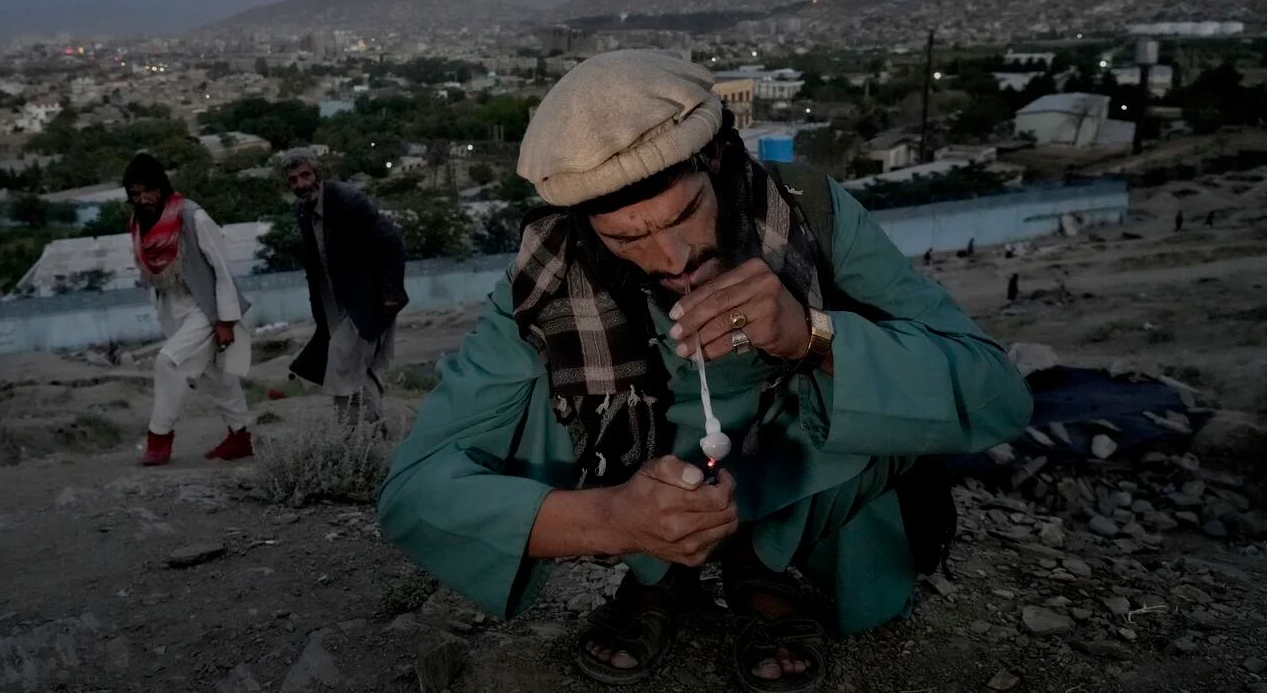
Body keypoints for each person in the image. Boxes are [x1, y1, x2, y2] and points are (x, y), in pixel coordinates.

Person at [377, 51, 1033, 691]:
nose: (672, 259)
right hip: (638, 483)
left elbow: (998, 393)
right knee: (531, 404)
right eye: (626, 237)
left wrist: (812, 337)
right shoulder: (545, 278)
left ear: (716, 158)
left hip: (799, 468)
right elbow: (412, 494)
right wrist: (612, 520)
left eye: (686, 214)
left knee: (882, 385)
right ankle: (658, 571)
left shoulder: (808, 212)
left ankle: (757, 563)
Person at [123, 153, 255, 466]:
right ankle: (241, 437)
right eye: (135, 194)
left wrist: (224, 321)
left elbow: (221, 270)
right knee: (217, 376)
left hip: (206, 309)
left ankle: (159, 438)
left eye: (148, 191)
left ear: (161, 187)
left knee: (167, 363)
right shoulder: (138, 224)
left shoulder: (193, 216)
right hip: (174, 309)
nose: (143, 199)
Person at [279, 149, 408, 428]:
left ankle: (350, 433)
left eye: (305, 175)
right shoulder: (304, 211)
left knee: (340, 362)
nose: (301, 184)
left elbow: (391, 241)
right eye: (293, 180)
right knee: (359, 368)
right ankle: (372, 432)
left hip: (369, 299)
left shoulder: (347, 201)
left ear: (317, 174)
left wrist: (391, 292)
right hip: (337, 304)